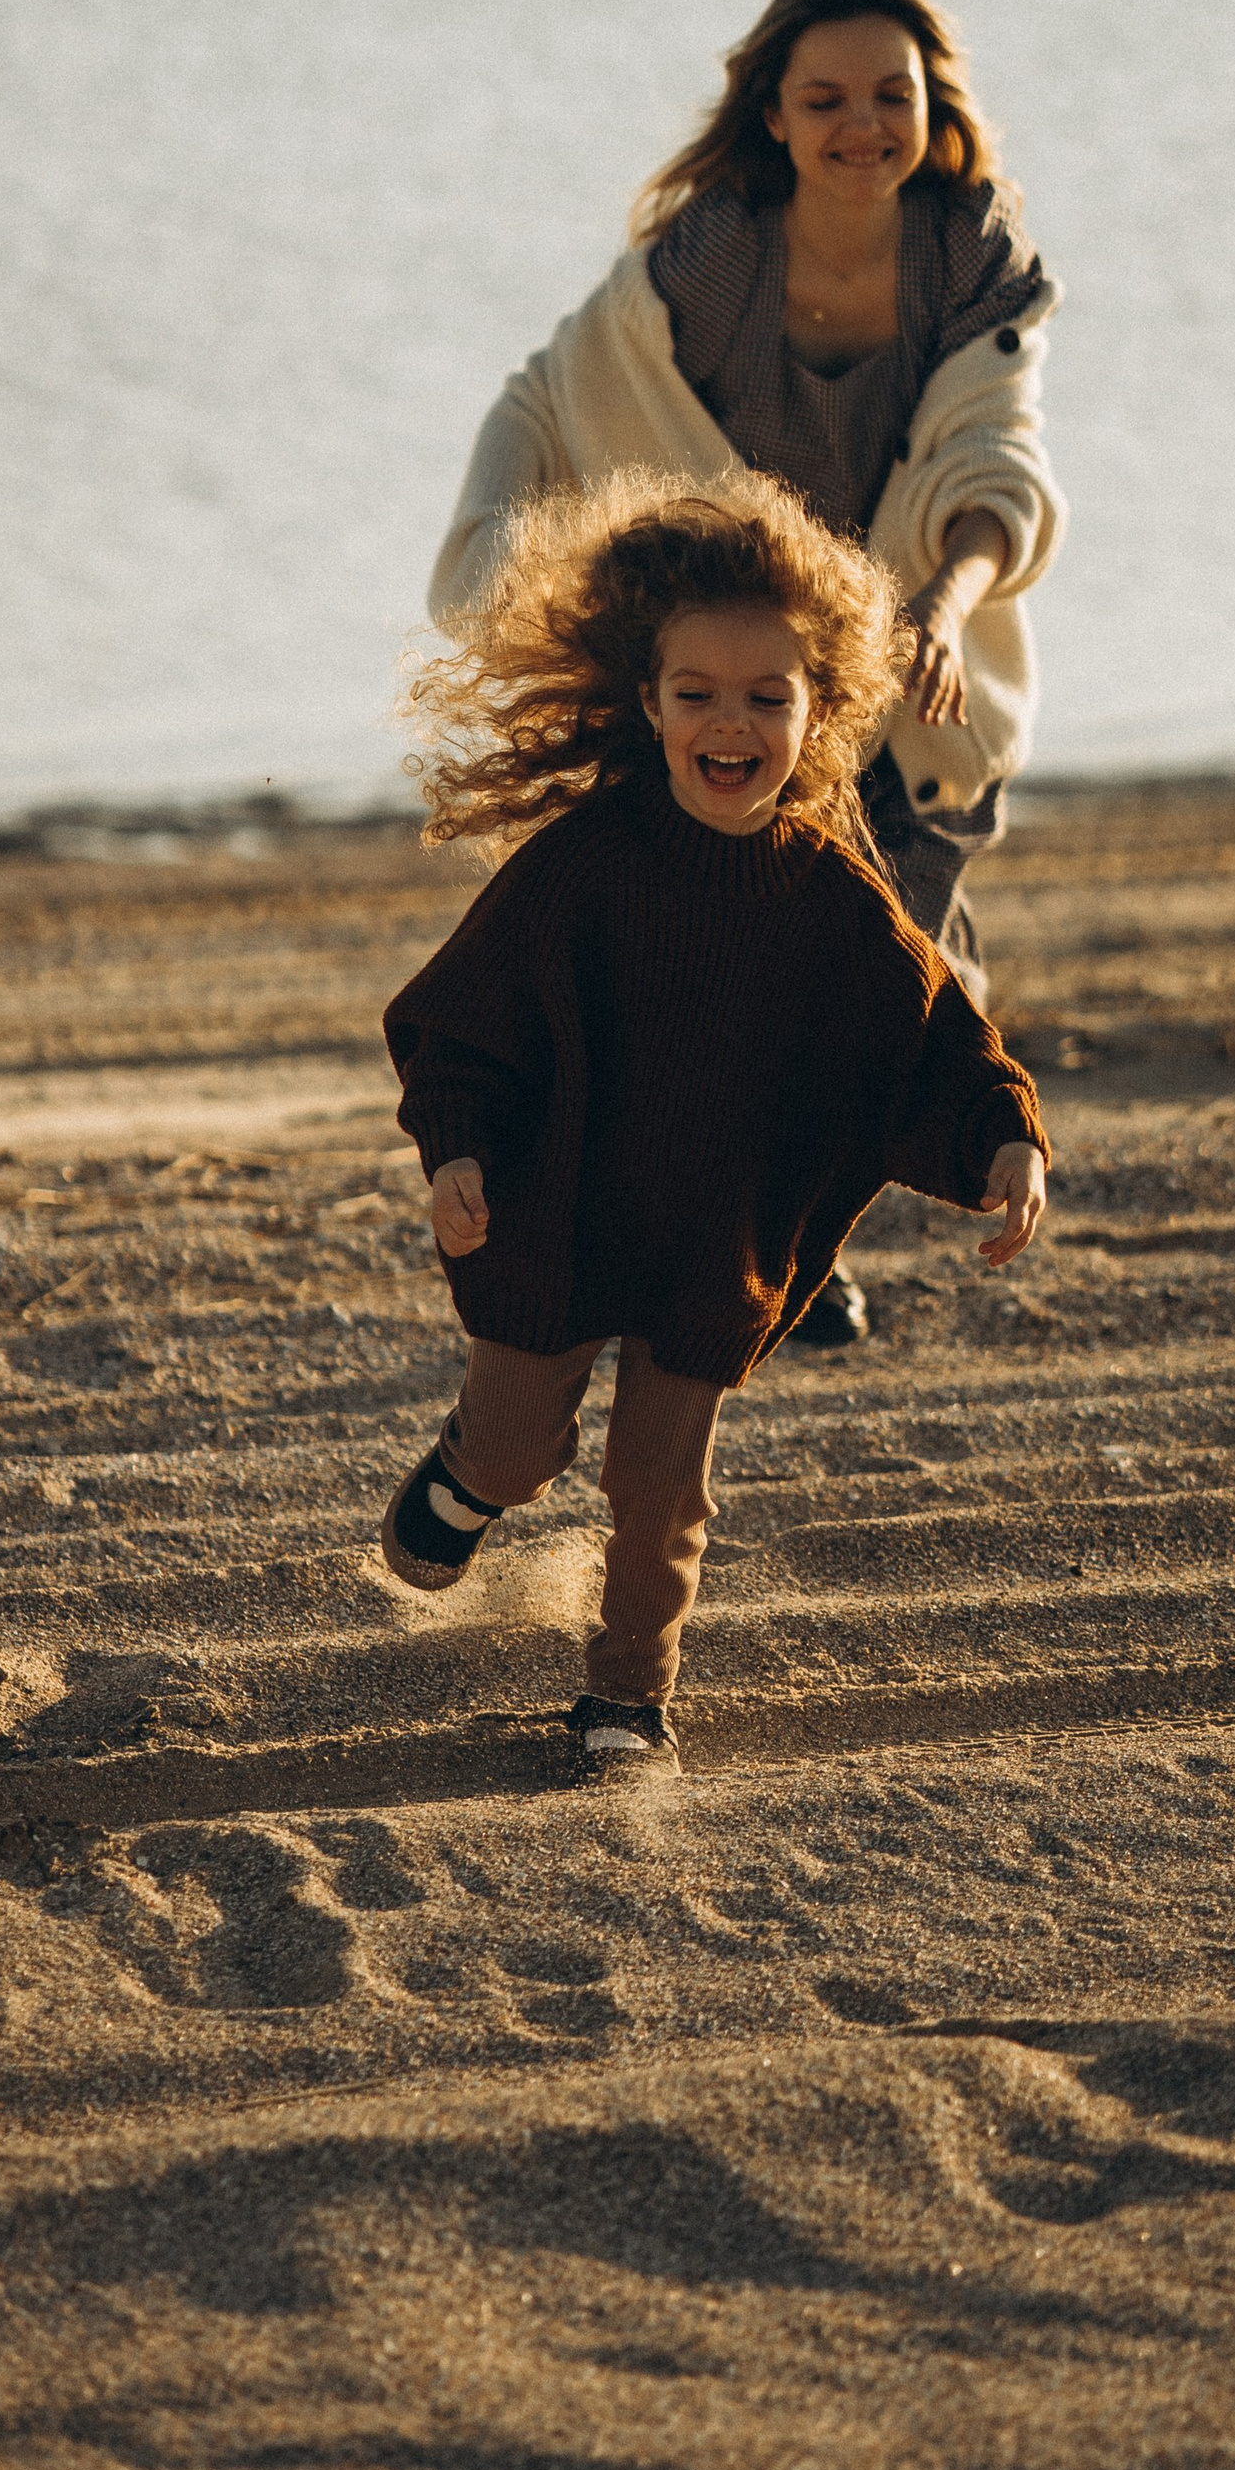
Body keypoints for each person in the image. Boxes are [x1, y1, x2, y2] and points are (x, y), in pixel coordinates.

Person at [428, 0, 1064, 1347]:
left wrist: (938, 617)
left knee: (899, 986)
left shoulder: (972, 255)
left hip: (908, 686)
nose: (860, 126)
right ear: (772, 114)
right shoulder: (717, 259)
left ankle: (804, 1226)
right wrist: (497, 543)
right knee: (737, 976)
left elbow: (992, 465)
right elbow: (554, 391)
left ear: (930, 108)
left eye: (888, 96)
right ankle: (784, 1259)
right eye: (823, 97)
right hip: (743, 688)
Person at [379, 472, 1049, 1782]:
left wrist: (1004, 1141)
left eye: (766, 698)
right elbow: (464, 1025)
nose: (729, 725)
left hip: (712, 1245)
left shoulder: (837, 902)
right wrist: (456, 1149)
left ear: (822, 708)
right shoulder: (580, 869)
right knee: (523, 1442)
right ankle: (469, 1479)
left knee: (661, 1493)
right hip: (553, 1217)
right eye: (698, 694)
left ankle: (627, 1698)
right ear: (649, 702)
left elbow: (934, 1050)